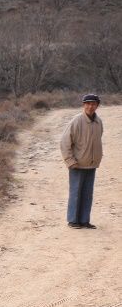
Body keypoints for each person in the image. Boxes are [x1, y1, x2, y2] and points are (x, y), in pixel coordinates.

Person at [60, 93, 104, 229]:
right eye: (88, 103)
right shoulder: (76, 121)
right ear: (84, 105)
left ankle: (84, 220)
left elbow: (98, 139)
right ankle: (73, 220)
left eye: (93, 104)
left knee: (87, 194)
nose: (91, 106)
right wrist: (70, 161)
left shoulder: (99, 122)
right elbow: (64, 142)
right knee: (76, 193)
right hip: (77, 165)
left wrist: (97, 157)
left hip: (91, 165)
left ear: (97, 105)